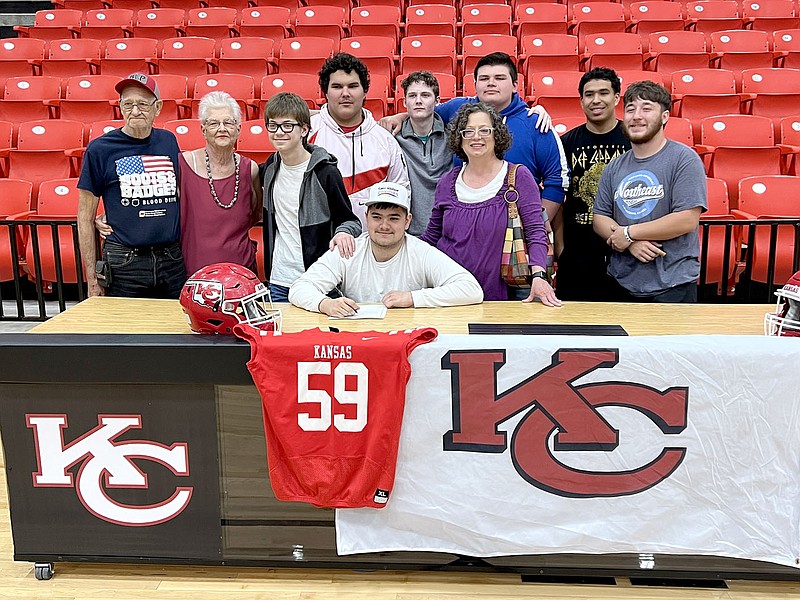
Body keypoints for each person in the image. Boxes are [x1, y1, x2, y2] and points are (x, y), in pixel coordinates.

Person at [381, 52, 568, 223]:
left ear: (514, 85)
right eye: (484, 78)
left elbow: (557, 180)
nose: (491, 83)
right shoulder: (456, 109)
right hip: (463, 223)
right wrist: (399, 116)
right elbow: (424, 111)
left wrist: (539, 223)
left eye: (499, 78)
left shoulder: (535, 123)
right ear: (476, 84)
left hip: (516, 230)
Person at [94, 91, 263, 277]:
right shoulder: (183, 163)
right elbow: (154, 194)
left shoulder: (250, 169)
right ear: (203, 130)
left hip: (240, 270)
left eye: (228, 122)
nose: (221, 128)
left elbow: (255, 214)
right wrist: (113, 215)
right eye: (213, 123)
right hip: (191, 270)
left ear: (238, 129)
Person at [420, 103, 561, 306]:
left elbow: (536, 233)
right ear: (459, 139)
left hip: (503, 298)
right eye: (468, 131)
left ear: (497, 135)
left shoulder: (519, 177)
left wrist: (539, 276)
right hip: (452, 295)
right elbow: (431, 238)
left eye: (485, 130)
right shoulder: (446, 182)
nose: (476, 137)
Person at [288, 182, 483, 317]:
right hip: (358, 338)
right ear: (366, 218)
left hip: (407, 340)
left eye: (394, 218)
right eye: (377, 217)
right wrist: (326, 304)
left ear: (408, 221)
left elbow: (471, 290)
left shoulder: (421, 252)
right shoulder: (349, 249)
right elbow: (299, 288)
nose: (384, 225)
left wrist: (412, 298)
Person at [593, 81, 707, 302]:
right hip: (622, 282)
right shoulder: (615, 166)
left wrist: (629, 234)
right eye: (630, 109)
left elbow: (686, 219)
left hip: (673, 285)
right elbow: (600, 218)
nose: (636, 116)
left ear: (664, 116)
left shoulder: (684, 159)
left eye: (646, 108)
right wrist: (631, 243)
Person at [78, 73, 184, 298]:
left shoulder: (169, 141)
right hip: (125, 262)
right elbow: (84, 217)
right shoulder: (99, 149)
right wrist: (92, 278)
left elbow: (181, 192)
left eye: (143, 104)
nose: (135, 111)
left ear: (158, 108)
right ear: (119, 107)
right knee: (125, 332)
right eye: (128, 104)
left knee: (176, 331)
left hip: (172, 260)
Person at [260, 92, 362, 303]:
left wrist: (343, 232)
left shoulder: (325, 172)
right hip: (279, 281)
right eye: (273, 125)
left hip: (317, 281)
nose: (279, 132)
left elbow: (351, 221)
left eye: (287, 125)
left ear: (304, 129)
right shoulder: (270, 167)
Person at [308, 52, 410, 228]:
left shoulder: (385, 140)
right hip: (318, 248)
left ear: (364, 92)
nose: (345, 93)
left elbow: (401, 194)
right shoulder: (306, 133)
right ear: (325, 92)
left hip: (372, 246)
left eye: (353, 86)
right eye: (337, 86)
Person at [556, 68, 631, 301]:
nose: (596, 100)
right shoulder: (566, 143)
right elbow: (558, 197)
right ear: (581, 100)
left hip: (625, 252)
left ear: (617, 97)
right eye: (589, 94)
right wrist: (560, 248)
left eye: (603, 93)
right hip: (577, 253)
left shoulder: (633, 140)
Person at [395, 71, 452, 236]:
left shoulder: (454, 138)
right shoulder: (392, 138)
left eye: (425, 95)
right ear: (405, 102)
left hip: (447, 231)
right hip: (409, 233)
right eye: (412, 96)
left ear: (437, 101)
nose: (418, 101)